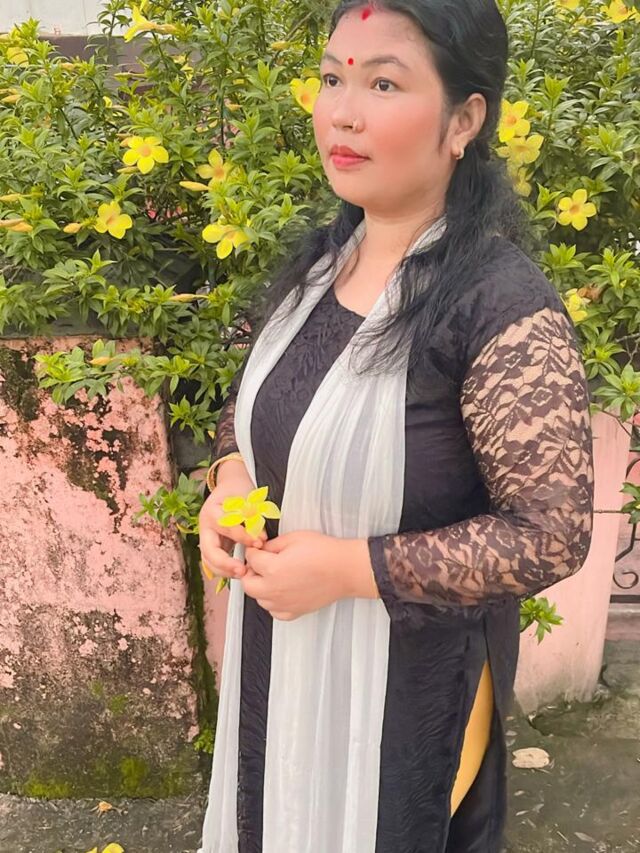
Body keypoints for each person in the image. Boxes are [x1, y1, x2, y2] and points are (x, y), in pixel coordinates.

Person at [196, 1, 595, 851]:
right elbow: (260, 412)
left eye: (383, 84)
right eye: (332, 78)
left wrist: (349, 568)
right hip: (284, 662)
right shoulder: (322, 262)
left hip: (410, 700)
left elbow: (551, 534)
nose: (343, 112)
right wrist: (228, 482)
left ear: (464, 120)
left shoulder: (499, 307)